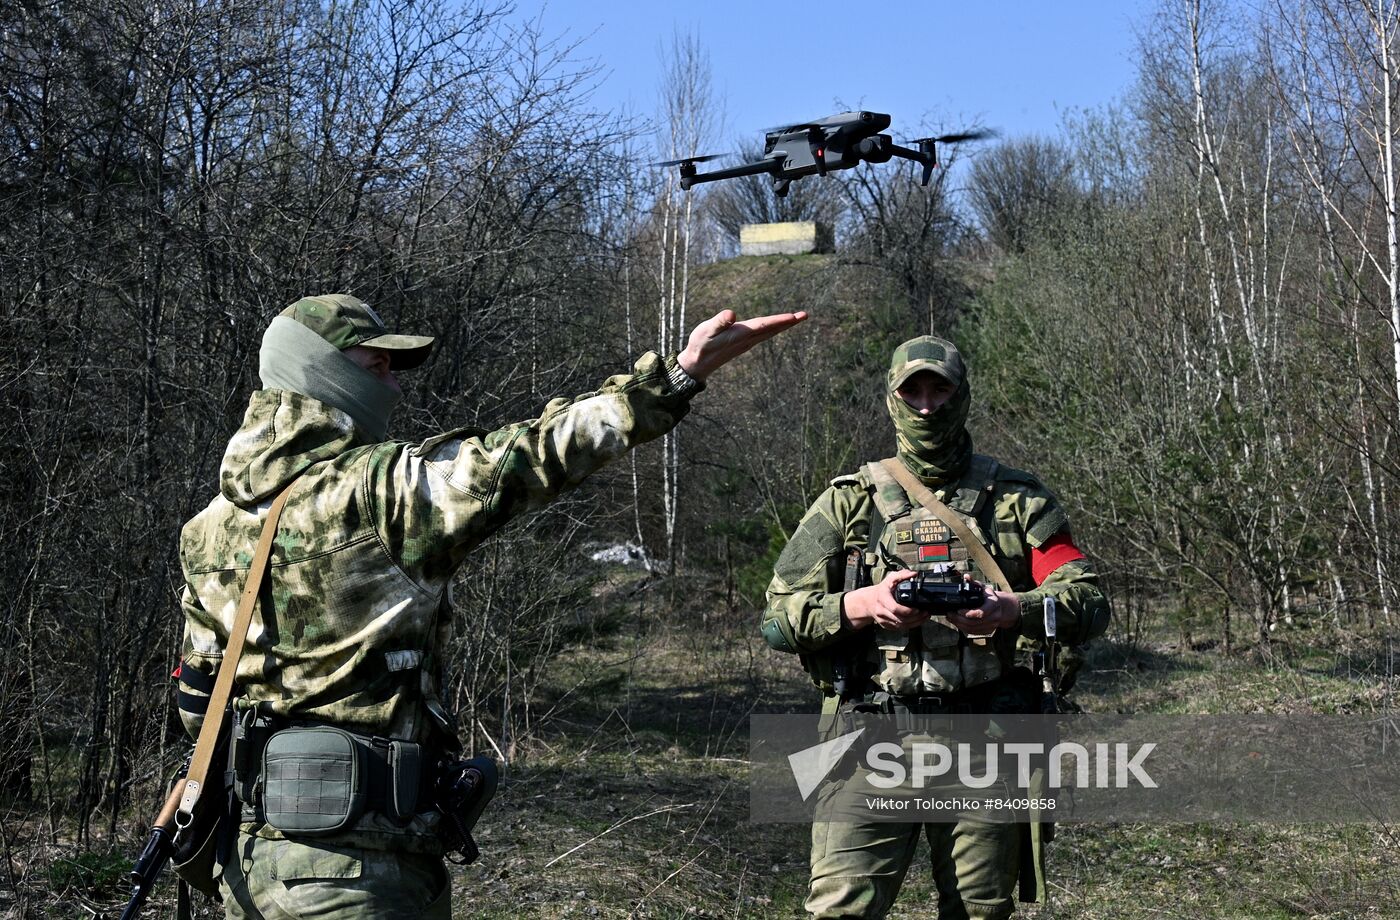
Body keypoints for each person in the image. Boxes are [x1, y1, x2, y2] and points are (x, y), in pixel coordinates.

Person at [175, 293, 805, 918]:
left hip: (256, 861)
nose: (394, 387)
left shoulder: (209, 527)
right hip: (352, 876)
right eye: (376, 369)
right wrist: (674, 378)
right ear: (321, 373)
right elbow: (528, 455)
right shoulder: (380, 493)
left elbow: (196, 701)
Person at [761, 335, 1110, 920]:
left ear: (962, 394)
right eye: (913, 391)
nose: (927, 405)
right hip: (865, 741)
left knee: (979, 912)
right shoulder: (850, 503)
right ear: (893, 400)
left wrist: (1011, 609)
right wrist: (863, 604)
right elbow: (776, 620)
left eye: (940, 389)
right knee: (840, 909)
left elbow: (1089, 603)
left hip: (986, 743)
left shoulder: (1017, 502)